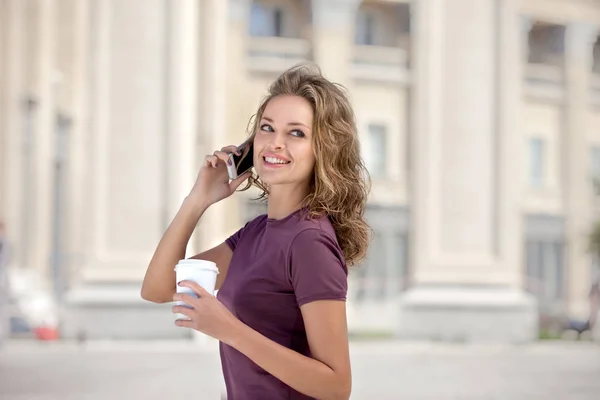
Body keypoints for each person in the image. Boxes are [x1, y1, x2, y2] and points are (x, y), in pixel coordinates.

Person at [141, 64, 371, 399]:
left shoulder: (310, 242)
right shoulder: (255, 233)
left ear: (324, 149)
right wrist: (197, 200)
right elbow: (159, 289)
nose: (275, 143)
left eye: (296, 133)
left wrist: (229, 330)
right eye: (267, 128)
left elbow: (336, 386)